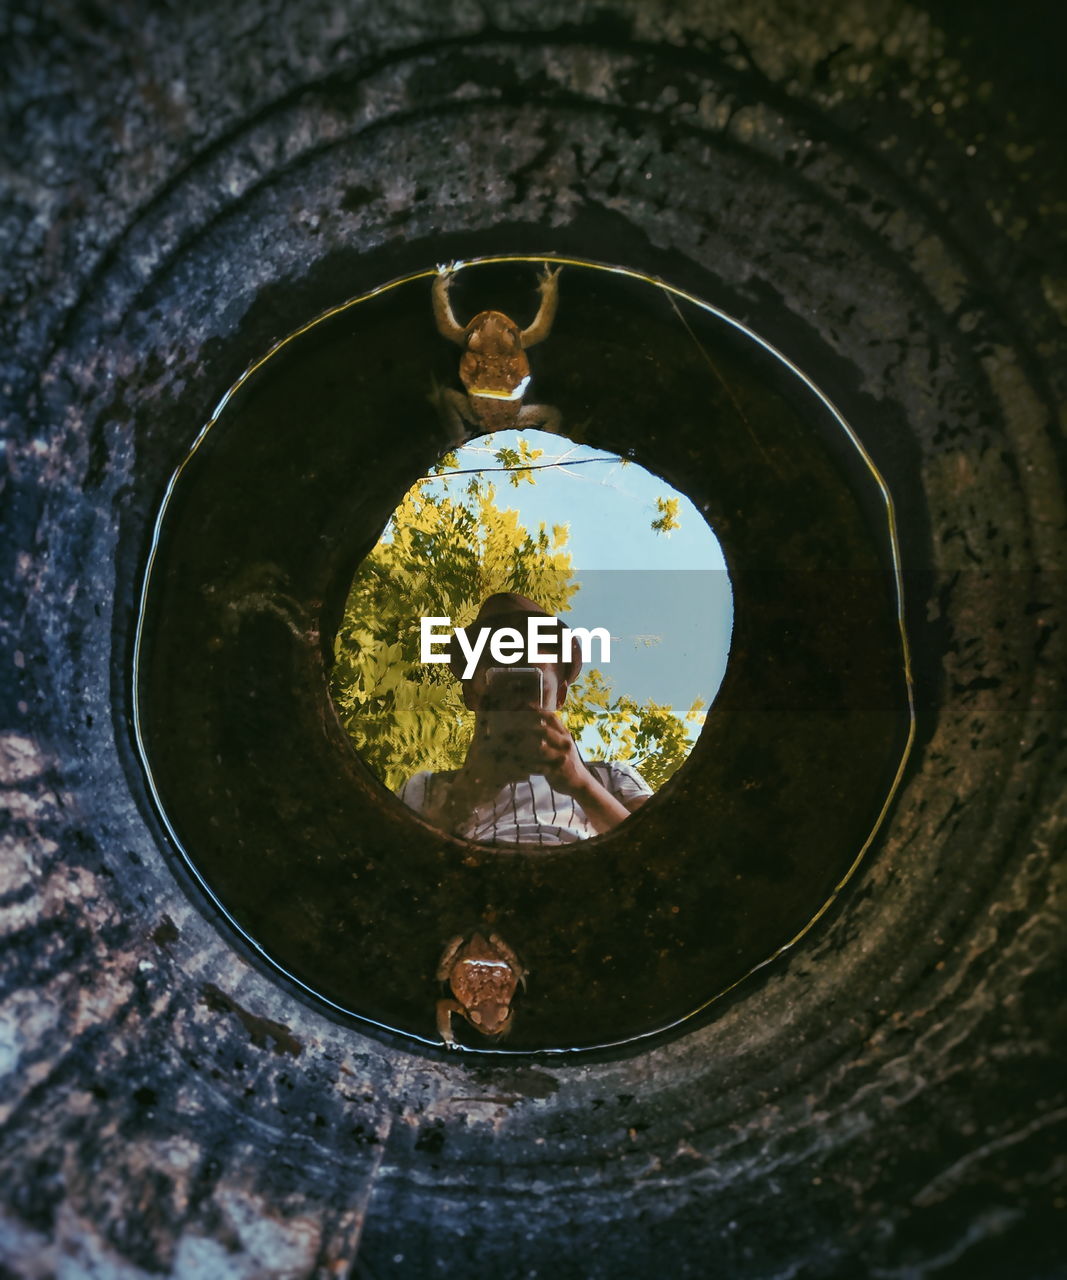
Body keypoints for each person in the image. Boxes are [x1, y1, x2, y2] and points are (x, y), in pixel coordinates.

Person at [397, 593, 653, 844]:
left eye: (530, 681)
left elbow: (664, 846)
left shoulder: (613, 778)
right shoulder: (423, 789)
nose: (517, 701)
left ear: (560, 695)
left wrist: (583, 784)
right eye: (501, 681)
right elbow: (386, 861)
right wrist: (466, 793)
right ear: (471, 694)